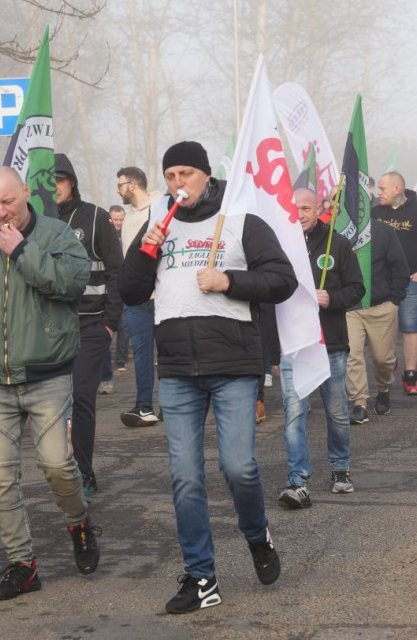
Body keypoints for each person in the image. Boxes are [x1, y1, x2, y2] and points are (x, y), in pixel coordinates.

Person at [119, 141, 297, 614]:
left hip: (234, 365)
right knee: (185, 478)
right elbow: (131, 291)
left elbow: (283, 280)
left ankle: (257, 536)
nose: (178, 184)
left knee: (238, 467)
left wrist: (230, 282)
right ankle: (201, 577)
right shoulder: (159, 223)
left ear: (206, 174)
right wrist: (145, 250)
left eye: (186, 174)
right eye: (171, 175)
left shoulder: (240, 219)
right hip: (177, 370)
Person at [0, 166, 99, 601]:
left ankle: (79, 523)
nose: (0, 211)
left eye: (7, 201)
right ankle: (22, 565)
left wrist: (24, 250)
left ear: (26, 193)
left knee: (55, 465)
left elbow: (72, 284)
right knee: (1, 478)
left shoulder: (57, 234)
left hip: (47, 375)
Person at [278, 188, 365, 508]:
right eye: (294, 208)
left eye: (306, 208)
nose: (300, 214)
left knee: (338, 412)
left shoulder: (337, 244)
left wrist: (332, 298)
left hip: (330, 344)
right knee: (293, 413)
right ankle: (297, 477)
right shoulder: (279, 244)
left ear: (319, 209)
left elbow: (358, 288)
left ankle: (340, 469)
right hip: (293, 345)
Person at [53, 153, 124, 500]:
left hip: (91, 325)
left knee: (81, 396)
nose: (54, 188)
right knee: (51, 402)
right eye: (47, 183)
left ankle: (85, 471)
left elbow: (116, 271)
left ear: (72, 182)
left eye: (59, 181)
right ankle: (59, 470)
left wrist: (111, 323)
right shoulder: (36, 221)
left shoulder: (95, 217)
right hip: (51, 329)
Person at [372, 172, 417, 396]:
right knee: (383, 328)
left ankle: (410, 375)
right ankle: (388, 360)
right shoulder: (374, 213)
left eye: (382, 189)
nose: (378, 193)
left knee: (410, 327)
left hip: (412, 279)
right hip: (381, 282)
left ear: (397, 188)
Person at [346, 217, 409, 424]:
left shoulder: (383, 231)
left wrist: (395, 300)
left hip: (381, 306)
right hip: (349, 308)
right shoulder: (333, 232)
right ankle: (359, 403)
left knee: (382, 358)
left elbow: (400, 266)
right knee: (352, 355)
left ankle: (383, 389)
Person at [117, 166, 163, 426]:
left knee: (167, 352)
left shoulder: (161, 206)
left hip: (161, 295)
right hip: (135, 299)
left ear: (132, 185)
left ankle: (170, 404)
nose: (118, 190)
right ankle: (144, 405)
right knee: (142, 354)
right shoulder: (127, 216)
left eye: (120, 185)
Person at [100, 204, 131, 395]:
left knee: (124, 326)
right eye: (115, 219)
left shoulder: (128, 234)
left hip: (125, 287)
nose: (118, 223)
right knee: (103, 332)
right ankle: (105, 376)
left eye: (121, 219)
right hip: (108, 289)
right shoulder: (103, 234)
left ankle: (120, 361)